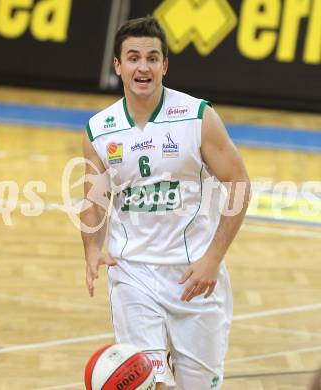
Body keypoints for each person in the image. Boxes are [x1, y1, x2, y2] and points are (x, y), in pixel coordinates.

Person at [81, 16, 250, 390]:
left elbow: (238, 183)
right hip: (133, 274)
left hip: (195, 277)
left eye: (152, 58)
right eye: (134, 57)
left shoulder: (198, 117)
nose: (143, 66)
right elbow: (93, 198)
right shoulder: (99, 128)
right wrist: (93, 247)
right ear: (118, 66)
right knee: (147, 383)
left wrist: (213, 258)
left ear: (164, 65)